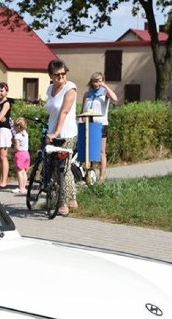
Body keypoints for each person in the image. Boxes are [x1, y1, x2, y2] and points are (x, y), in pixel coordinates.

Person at [44, 59, 78, 216]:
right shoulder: (50, 89)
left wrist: (56, 133)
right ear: (50, 76)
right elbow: (52, 112)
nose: (61, 77)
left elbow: (64, 112)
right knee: (62, 167)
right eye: (57, 75)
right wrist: (49, 131)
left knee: (62, 168)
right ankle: (72, 198)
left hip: (66, 134)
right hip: (52, 132)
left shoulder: (70, 88)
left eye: (63, 74)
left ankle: (64, 203)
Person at [81, 72, 118, 182]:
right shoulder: (87, 94)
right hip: (88, 124)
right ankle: (90, 174)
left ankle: (102, 175)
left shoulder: (104, 92)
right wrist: (80, 120)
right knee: (88, 151)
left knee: (101, 151)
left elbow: (115, 99)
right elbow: (82, 110)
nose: (97, 83)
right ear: (91, 82)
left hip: (101, 124)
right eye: (95, 81)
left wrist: (105, 86)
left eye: (99, 81)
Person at [11, 118, 30, 195]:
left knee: (19, 171)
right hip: (26, 153)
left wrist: (9, 151)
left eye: (14, 127)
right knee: (24, 172)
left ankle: (20, 188)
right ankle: (24, 187)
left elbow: (17, 148)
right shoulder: (25, 134)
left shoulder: (17, 136)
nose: (13, 128)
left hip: (20, 154)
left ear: (18, 127)